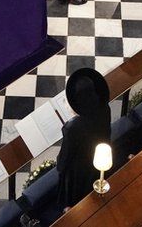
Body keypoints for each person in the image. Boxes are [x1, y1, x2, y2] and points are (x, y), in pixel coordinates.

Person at [56, 68, 111, 210]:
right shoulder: (105, 109)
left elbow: (63, 162)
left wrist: (67, 130)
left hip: (80, 176)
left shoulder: (73, 128)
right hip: (100, 159)